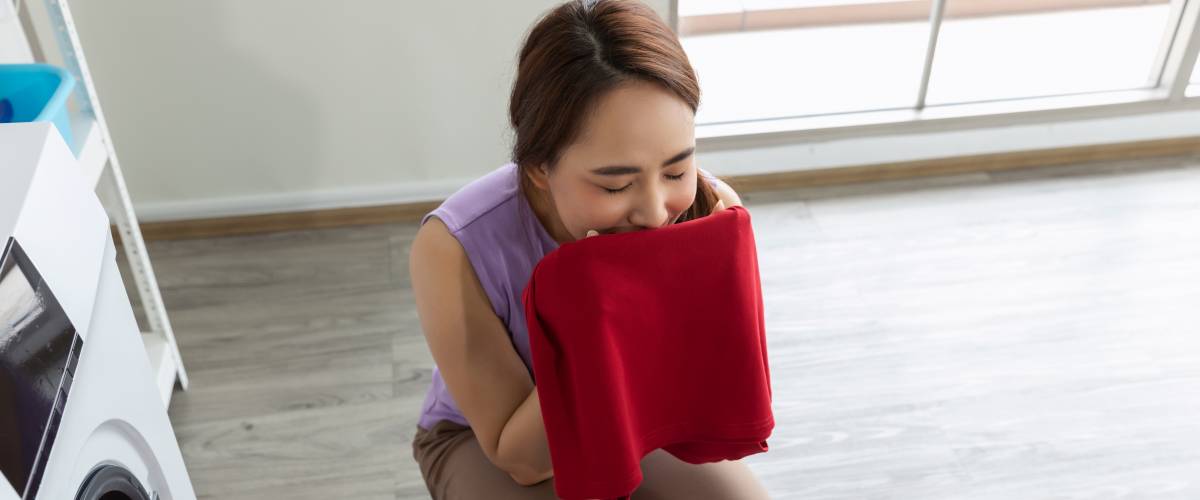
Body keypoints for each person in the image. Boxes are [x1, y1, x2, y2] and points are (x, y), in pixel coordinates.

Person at [408, 1, 771, 498]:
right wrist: (596, 320)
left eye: (676, 171)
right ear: (538, 166)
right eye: (616, 185)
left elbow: (719, 387)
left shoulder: (710, 211)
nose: (655, 211)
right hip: (483, 439)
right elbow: (521, 460)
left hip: (639, 411)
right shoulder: (453, 247)